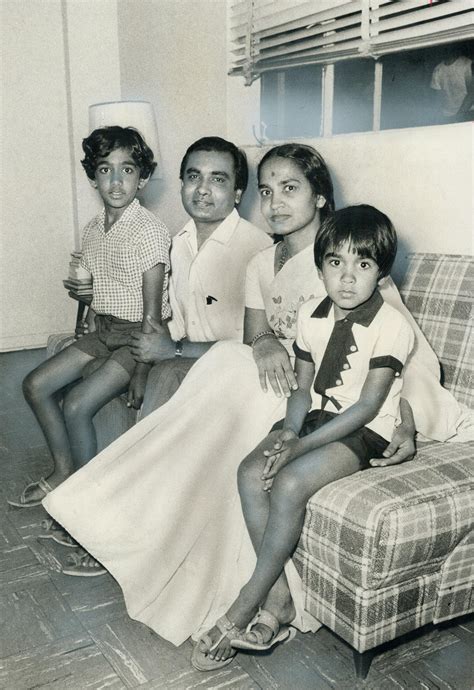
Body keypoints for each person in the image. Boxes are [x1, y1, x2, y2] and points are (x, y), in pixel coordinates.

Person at [43, 144, 460, 651]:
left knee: (216, 381)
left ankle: (252, 587)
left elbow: (410, 358)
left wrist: (407, 422)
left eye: (291, 189)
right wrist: (262, 341)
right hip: (276, 385)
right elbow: (253, 339)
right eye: (267, 190)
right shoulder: (263, 262)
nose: (276, 202)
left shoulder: (347, 263)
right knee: (214, 375)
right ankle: (130, 528)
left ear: (321, 197)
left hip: (310, 398)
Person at [190, 204, 414, 670]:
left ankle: (243, 606)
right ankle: (280, 599)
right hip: (312, 419)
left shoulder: (392, 324)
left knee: (289, 482)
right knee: (252, 472)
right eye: (336, 263)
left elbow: (368, 407)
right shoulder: (312, 314)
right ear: (321, 266)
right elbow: (301, 386)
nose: (348, 278)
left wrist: (301, 446)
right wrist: (289, 431)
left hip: (363, 430)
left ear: (381, 272)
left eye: (364, 264)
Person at [9, 126, 171, 508]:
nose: (116, 181)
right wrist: (89, 315)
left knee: (77, 404)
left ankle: (85, 508)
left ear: (143, 177)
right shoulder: (94, 229)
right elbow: (96, 285)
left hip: (137, 337)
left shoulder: (149, 231)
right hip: (106, 329)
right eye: (105, 170)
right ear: (92, 176)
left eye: (127, 170)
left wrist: (144, 370)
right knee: (34, 384)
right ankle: (63, 471)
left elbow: (152, 316)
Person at [91, 136, 272, 446]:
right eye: (193, 176)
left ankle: (139, 474)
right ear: (181, 185)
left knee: (166, 375)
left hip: (233, 369)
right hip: (185, 357)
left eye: (218, 179)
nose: (202, 189)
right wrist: (142, 359)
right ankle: (111, 472)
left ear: (238, 193)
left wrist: (170, 354)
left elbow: (252, 346)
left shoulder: (257, 249)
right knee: (98, 372)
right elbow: (169, 319)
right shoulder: (176, 244)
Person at [431, 49, 474, 122]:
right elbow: (438, 97)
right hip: (447, 115)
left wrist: (460, 115)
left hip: (469, 112)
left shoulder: (467, 64)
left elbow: (472, 93)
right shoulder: (438, 69)